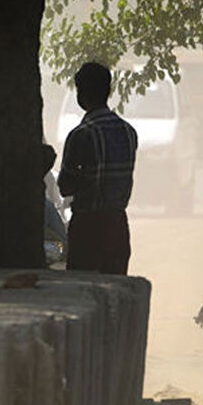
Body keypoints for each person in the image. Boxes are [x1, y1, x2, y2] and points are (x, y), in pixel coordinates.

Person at [58, 62, 137, 275]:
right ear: (108, 91)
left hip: (87, 225)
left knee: (82, 287)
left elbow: (65, 186)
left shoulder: (81, 135)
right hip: (118, 224)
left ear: (81, 93)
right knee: (114, 288)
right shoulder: (128, 132)